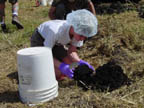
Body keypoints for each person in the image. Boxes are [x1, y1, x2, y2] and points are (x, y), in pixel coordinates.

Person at [31, 9, 98, 80]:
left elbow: (72, 51)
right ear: (73, 27)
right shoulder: (55, 31)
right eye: (81, 36)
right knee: (57, 73)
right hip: (40, 39)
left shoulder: (78, 33)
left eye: (85, 37)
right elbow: (45, 55)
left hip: (58, 43)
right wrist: (62, 66)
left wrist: (79, 61)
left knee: (71, 64)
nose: (82, 39)